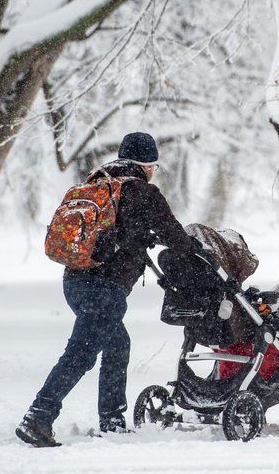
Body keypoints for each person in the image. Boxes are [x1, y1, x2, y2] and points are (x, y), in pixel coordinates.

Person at [16, 132, 195, 448]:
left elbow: (114, 231)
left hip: (74, 282)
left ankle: (112, 420)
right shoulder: (143, 193)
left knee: (117, 344)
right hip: (105, 291)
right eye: (153, 165)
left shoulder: (96, 185)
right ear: (147, 165)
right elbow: (177, 239)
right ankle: (38, 417)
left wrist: (139, 237)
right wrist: (190, 247)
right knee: (81, 353)